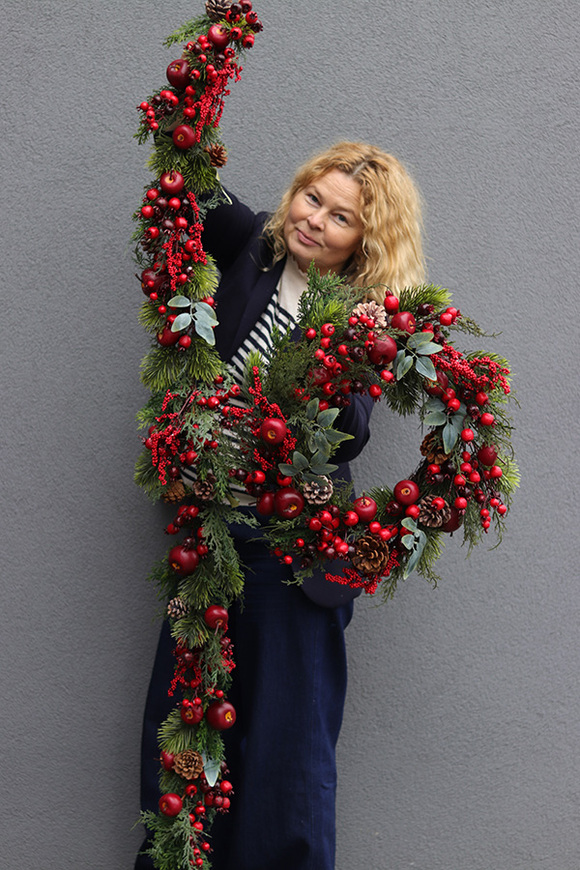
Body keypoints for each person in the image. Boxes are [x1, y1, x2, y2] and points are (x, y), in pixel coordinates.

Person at [136, 141, 425, 870]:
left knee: (287, 750)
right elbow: (186, 170)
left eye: (341, 217)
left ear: (367, 240)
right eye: (312, 199)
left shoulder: (366, 316)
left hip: (294, 558)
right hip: (209, 544)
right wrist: (211, 56)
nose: (316, 220)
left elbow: (351, 436)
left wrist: (337, 357)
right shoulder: (252, 247)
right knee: (184, 731)